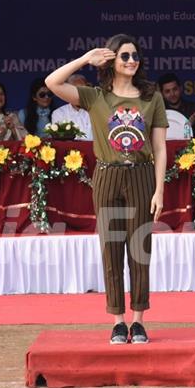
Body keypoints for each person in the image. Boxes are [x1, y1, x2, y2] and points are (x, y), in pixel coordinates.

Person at [45, 33, 167, 345]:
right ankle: (117, 320)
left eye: (135, 55)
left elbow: (160, 147)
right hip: (107, 176)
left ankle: (138, 320)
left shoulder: (151, 96)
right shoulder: (94, 96)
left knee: (140, 249)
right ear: (112, 60)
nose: (131, 61)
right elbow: (52, 82)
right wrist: (86, 58)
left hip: (141, 175)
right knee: (111, 250)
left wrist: (159, 190)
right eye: (124, 56)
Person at [158, 73, 195, 137]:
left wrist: (193, 126)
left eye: (175, 89)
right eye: (167, 91)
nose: (172, 94)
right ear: (161, 93)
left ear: (180, 88)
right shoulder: (159, 112)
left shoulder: (193, 109)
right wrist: (187, 127)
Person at [50, 74, 93, 140]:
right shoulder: (59, 113)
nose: (79, 94)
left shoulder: (96, 111)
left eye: (82, 90)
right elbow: (60, 141)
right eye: (74, 90)